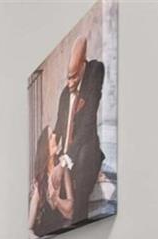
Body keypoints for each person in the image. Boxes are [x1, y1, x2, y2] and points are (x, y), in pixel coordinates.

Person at [52, 35, 105, 225]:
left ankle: (78, 221)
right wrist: (55, 149)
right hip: (65, 154)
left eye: (74, 76)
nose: (70, 82)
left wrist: (66, 160)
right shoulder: (65, 94)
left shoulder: (95, 71)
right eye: (68, 77)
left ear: (83, 65)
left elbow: (88, 122)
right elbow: (59, 127)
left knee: (83, 158)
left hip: (83, 149)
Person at [29, 125, 75, 238]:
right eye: (50, 136)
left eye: (53, 134)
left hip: (60, 234)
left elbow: (71, 210)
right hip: (43, 234)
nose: (55, 136)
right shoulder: (40, 180)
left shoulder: (63, 168)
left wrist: (56, 200)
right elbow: (29, 226)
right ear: (45, 147)